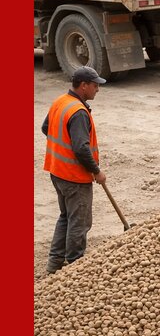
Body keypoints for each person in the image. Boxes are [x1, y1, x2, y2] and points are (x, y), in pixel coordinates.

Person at [42, 65, 107, 274]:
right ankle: (74, 269)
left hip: (57, 171)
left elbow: (46, 127)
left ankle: (54, 265)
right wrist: (96, 171)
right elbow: (81, 148)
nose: (98, 89)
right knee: (79, 222)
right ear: (83, 85)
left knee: (65, 217)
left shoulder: (61, 102)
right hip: (74, 177)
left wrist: (63, 147)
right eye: (95, 85)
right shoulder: (78, 112)